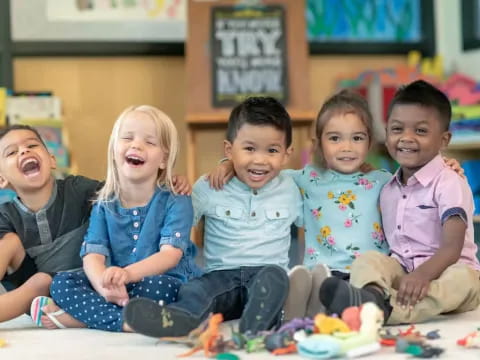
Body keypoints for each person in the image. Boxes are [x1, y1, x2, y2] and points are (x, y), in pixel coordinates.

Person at [122, 96, 303, 337]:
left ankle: (256, 323)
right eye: (249, 149)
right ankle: (179, 319)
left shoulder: (293, 186)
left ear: (287, 153)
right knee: (195, 289)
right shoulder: (209, 186)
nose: (259, 159)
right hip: (220, 276)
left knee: (277, 280)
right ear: (229, 150)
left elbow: (329, 185)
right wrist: (179, 187)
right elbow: (176, 218)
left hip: (266, 275)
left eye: (272, 150)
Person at [207, 90, 391, 320]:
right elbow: (262, 169)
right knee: (318, 290)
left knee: (377, 294)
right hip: (324, 274)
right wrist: (228, 164)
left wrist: (446, 167)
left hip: (369, 273)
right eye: (335, 138)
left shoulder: (383, 180)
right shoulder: (306, 178)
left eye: (357, 138)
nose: (347, 147)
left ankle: (355, 306)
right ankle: (326, 308)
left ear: (369, 142)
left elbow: (416, 186)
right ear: (318, 144)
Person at [319, 80, 480, 325]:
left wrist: (422, 275)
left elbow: (453, 247)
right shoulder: (388, 188)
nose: (406, 138)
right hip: (404, 270)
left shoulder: (449, 182)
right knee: (369, 260)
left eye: (421, 131)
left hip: (449, 270)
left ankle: (387, 310)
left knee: (461, 281)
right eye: (397, 129)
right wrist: (407, 275)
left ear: (444, 140)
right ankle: (369, 296)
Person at [34, 105, 202, 331]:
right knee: (62, 284)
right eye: (127, 138)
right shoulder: (104, 203)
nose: (136, 145)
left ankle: (84, 319)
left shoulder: (176, 199)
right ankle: (125, 321)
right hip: (114, 286)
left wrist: (127, 274)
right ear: (114, 148)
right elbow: (93, 255)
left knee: (163, 289)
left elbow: (170, 256)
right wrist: (103, 286)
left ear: (164, 159)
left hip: (159, 281)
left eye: (149, 142)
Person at [0, 124, 101, 323]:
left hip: (84, 282)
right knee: (8, 243)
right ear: (2, 179)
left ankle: (68, 313)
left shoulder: (77, 189)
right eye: (11, 152)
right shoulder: (6, 214)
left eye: (32, 145)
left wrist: (166, 180)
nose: (24, 150)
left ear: (52, 160)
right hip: (35, 292)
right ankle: (50, 309)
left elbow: (122, 191)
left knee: (43, 280)